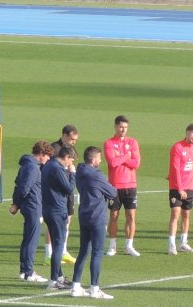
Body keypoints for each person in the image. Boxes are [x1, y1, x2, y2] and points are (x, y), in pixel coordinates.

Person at [71, 146, 119, 300]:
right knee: (97, 253)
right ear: (93, 160)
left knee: (83, 251)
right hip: (97, 217)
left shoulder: (80, 171)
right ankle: (94, 289)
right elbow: (112, 192)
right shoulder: (96, 175)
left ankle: (75, 286)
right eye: (99, 158)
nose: (100, 160)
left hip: (84, 215)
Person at [10, 140, 55, 283]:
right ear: (41, 154)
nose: (48, 159)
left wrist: (16, 203)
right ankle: (29, 272)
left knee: (27, 239)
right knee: (32, 240)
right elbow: (24, 188)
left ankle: (24, 271)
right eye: (47, 156)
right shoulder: (33, 168)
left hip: (28, 206)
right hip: (33, 207)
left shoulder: (26, 165)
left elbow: (18, 184)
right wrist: (16, 203)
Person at [104, 114, 141, 257]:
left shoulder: (133, 142)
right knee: (113, 215)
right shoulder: (109, 143)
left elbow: (136, 163)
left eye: (125, 127)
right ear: (115, 126)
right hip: (114, 185)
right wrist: (127, 156)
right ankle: (112, 246)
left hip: (130, 184)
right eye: (120, 127)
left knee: (131, 215)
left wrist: (120, 157)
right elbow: (112, 162)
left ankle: (129, 246)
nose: (123, 130)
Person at [42, 144, 76, 290]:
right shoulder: (57, 168)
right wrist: (72, 174)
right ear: (66, 157)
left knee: (57, 244)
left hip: (49, 209)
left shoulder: (49, 165)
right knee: (59, 245)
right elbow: (68, 189)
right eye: (71, 160)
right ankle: (53, 280)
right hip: (56, 210)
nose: (71, 164)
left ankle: (59, 277)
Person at [167, 123, 193, 255]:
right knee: (175, 214)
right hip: (177, 186)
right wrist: (180, 188)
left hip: (190, 185)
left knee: (186, 215)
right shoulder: (177, 147)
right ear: (187, 132)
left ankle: (183, 243)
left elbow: (192, 164)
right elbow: (175, 168)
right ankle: (171, 244)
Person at [47, 125, 79, 265]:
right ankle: (49, 253)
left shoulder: (71, 149)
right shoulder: (54, 148)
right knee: (52, 224)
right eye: (72, 139)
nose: (74, 142)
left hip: (68, 190)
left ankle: (63, 251)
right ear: (64, 135)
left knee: (67, 220)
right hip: (57, 191)